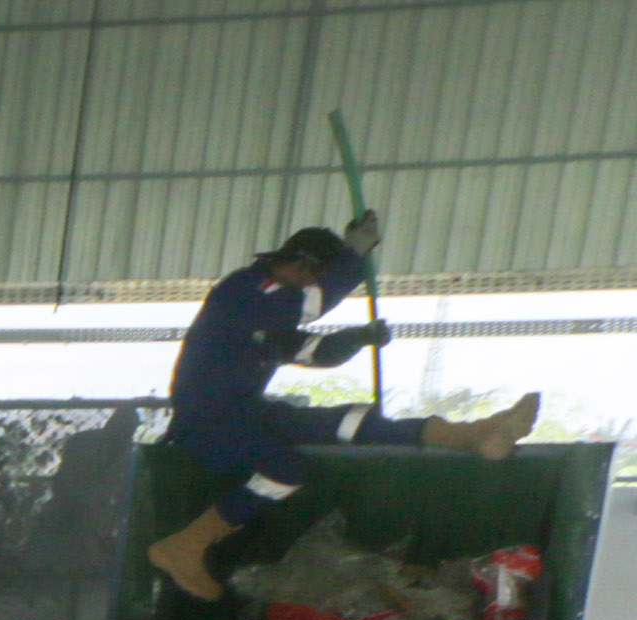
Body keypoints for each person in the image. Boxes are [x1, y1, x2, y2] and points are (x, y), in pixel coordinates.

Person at [140, 217, 535, 600]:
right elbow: (310, 305)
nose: (312, 286)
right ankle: (187, 545)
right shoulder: (246, 291)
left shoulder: (263, 314)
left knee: (353, 420)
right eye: (313, 277)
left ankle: (472, 435)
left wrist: (357, 338)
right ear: (300, 267)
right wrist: (354, 255)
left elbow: (311, 351)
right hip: (207, 422)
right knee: (284, 470)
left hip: (245, 413)